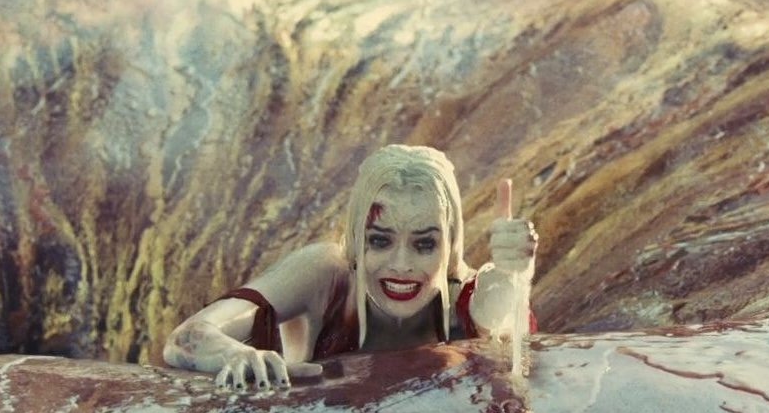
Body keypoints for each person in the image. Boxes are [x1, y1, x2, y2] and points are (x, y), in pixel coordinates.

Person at [163, 144, 538, 391]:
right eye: (380, 241)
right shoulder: (326, 275)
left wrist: (509, 276)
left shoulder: (465, 299)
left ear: (451, 242)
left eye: (424, 244)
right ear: (357, 237)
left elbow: (495, 311)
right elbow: (189, 335)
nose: (401, 265)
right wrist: (235, 355)